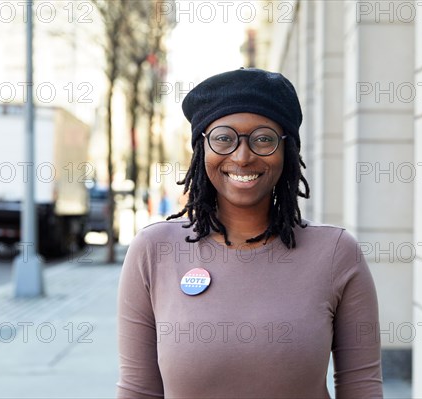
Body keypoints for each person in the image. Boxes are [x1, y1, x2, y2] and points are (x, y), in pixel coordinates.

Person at [116, 68, 383, 398]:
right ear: (202, 149)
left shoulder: (336, 253)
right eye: (224, 138)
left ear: (287, 151)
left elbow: (362, 389)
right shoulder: (153, 250)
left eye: (263, 139)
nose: (243, 157)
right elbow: (138, 391)